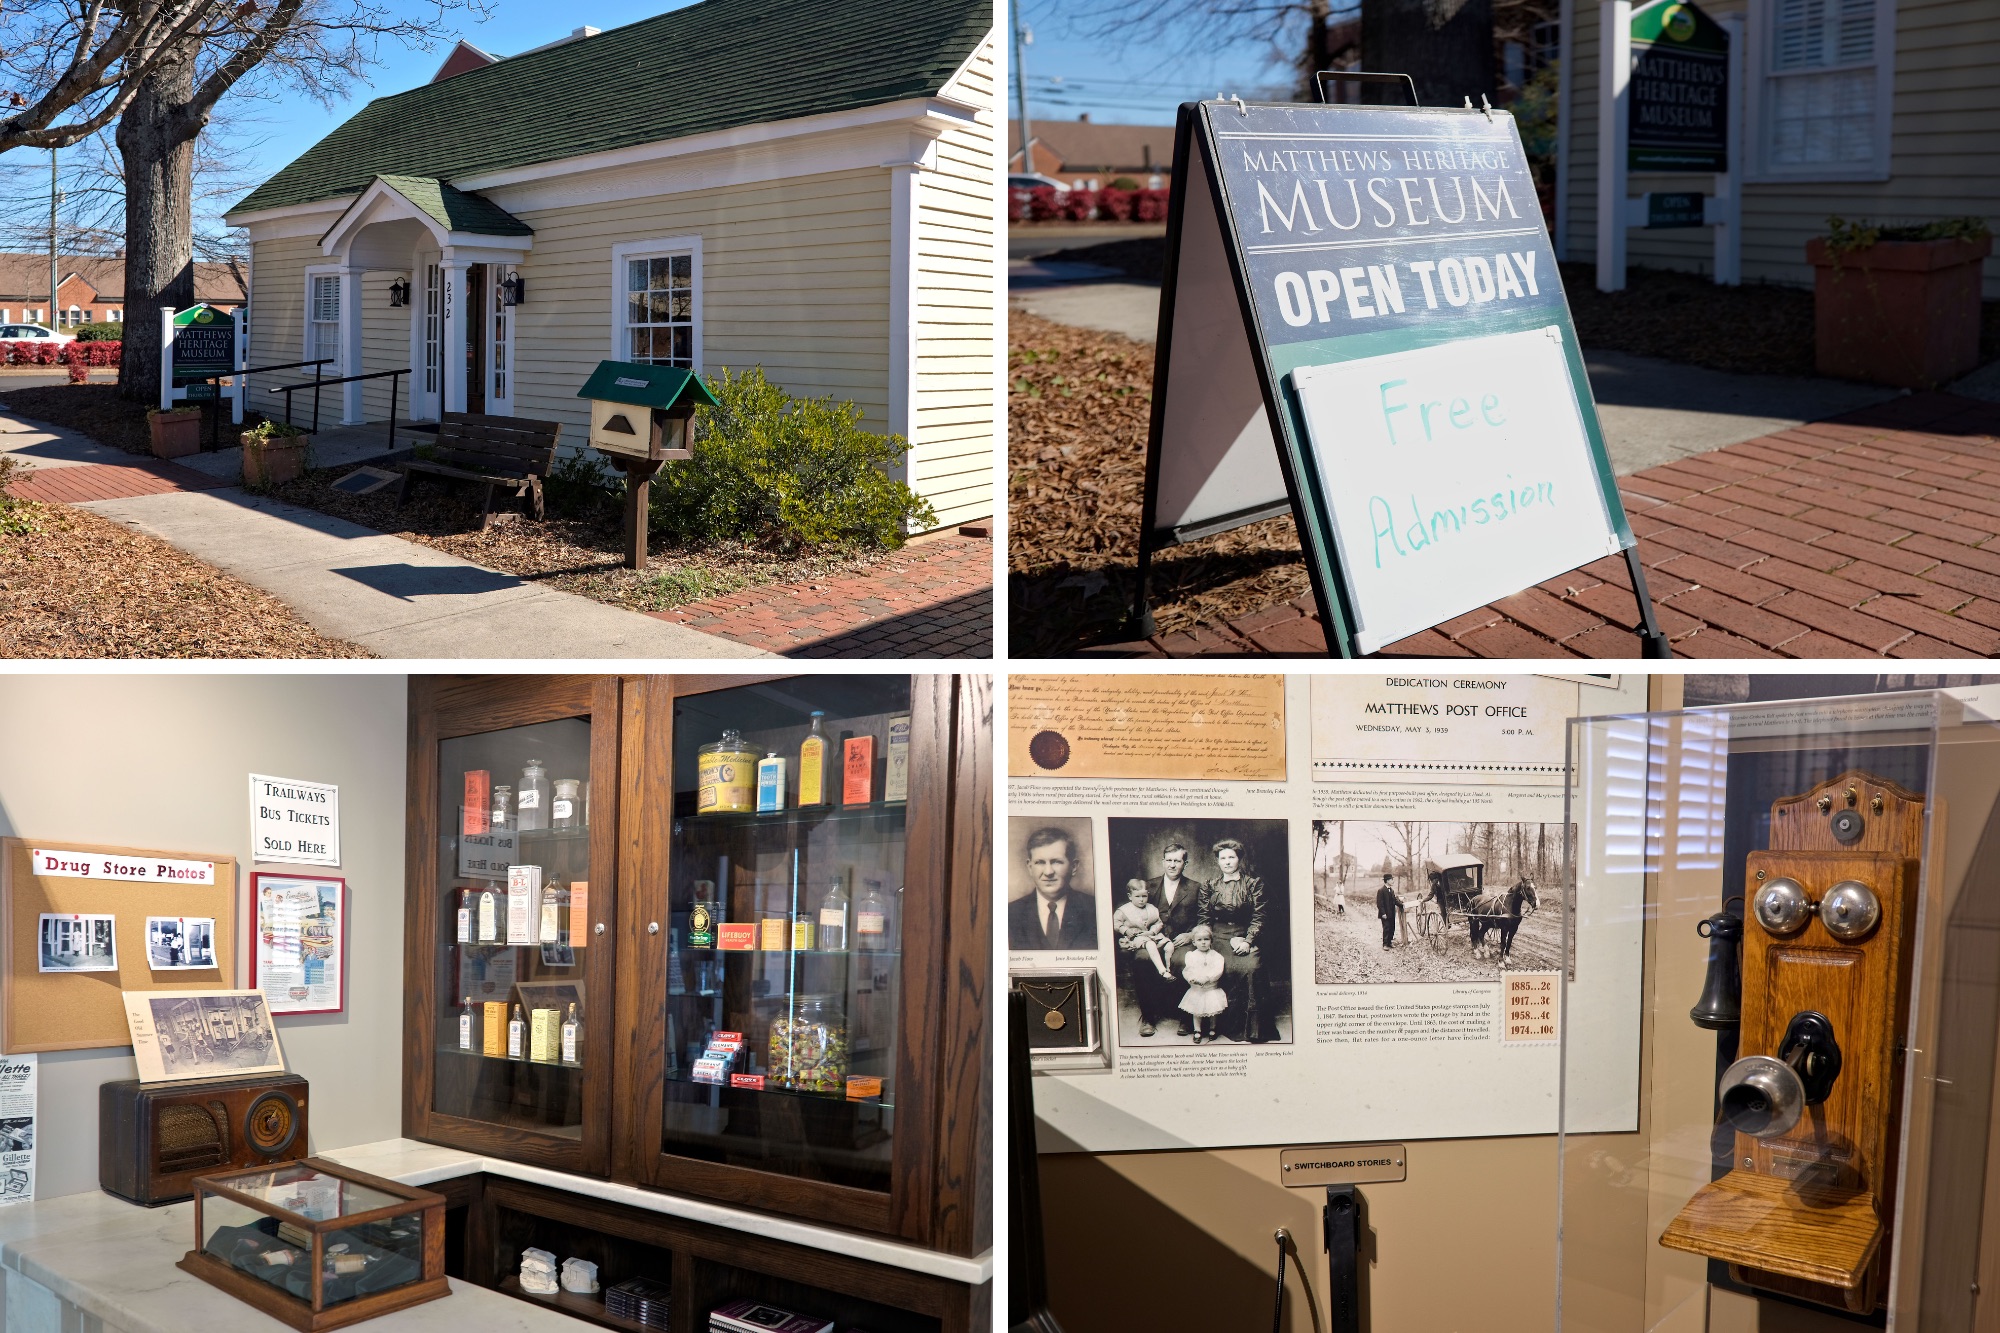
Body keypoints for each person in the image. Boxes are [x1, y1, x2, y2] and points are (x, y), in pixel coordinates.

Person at [1200, 838, 1279, 1042]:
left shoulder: (1254, 884)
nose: (1227, 862)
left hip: (1244, 934)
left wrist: (1247, 941)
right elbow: (1204, 918)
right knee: (1223, 966)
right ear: (1217, 861)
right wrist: (1206, 943)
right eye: (1222, 858)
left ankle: (1251, 1030)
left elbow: (1259, 917)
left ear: (1239, 859)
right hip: (1216, 936)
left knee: (1251, 967)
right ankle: (1219, 1025)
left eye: (1231, 857)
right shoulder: (1209, 885)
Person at [1142, 843, 1206, 1033]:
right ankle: (1148, 1018)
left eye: (1177, 861)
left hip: (1181, 941)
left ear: (1185, 863)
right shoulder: (1149, 886)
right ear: (1163, 862)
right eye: (1168, 860)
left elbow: (1204, 918)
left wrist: (1190, 934)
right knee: (1141, 959)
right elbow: (1136, 914)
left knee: (1185, 961)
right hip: (1154, 940)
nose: (1172, 865)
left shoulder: (1196, 887)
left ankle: (1187, 1017)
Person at [1008, 826, 1097, 950]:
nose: (1048, 872)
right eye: (1040, 862)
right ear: (1029, 867)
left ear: (1074, 867)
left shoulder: (1094, 909)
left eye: (1056, 862)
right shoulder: (1009, 913)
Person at [1113, 879, 1173, 980]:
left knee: (1170, 945)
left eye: (1144, 896)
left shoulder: (1151, 908)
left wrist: (1152, 931)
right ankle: (1162, 971)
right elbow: (1116, 923)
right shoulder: (1124, 910)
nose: (1141, 900)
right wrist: (1126, 930)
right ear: (1130, 896)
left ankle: (1169, 968)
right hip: (1136, 937)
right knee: (1150, 944)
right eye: (1137, 896)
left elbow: (1158, 923)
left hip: (1150, 934)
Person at [1178, 925, 1228, 1043]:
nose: (1203, 943)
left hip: (1211, 988)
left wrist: (1208, 978)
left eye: (1206, 939)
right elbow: (1188, 970)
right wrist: (1192, 979)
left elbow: (1218, 970)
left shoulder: (1216, 956)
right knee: (1196, 1010)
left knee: (1213, 1009)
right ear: (1194, 942)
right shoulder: (1191, 956)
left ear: (1211, 941)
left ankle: (1212, 1029)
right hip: (1197, 989)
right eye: (1199, 940)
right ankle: (1197, 1030)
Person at [1377, 873, 1398, 949]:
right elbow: (1380, 904)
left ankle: (1389, 942)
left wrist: (1402, 905)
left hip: (1392, 913)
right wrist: (1383, 913)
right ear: (1387, 881)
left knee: (1392, 927)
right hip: (1385, 914)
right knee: (1386, 928)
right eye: (1391, 879)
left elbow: (1395, 900)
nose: (1393, 881)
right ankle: (1385, 944)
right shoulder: (1381, 890)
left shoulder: (1391, 890)